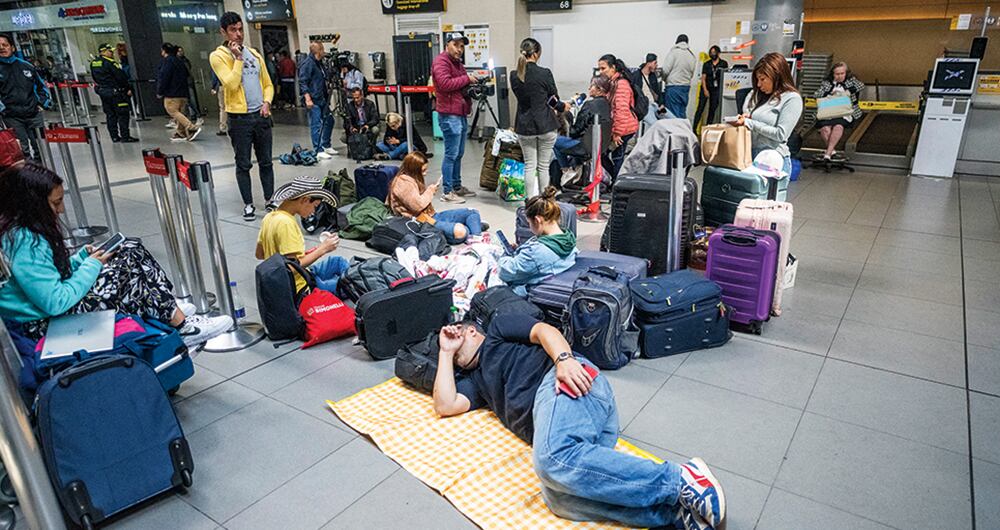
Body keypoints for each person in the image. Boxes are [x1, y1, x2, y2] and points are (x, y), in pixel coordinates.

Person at [431, 314, 727, 530]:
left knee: (550, 459)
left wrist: (563, 360)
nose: (457, 359)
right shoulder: (477, 381)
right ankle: (671, 513)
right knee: (559, 499)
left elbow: (544, 330)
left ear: (469, 331)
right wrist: (446, 352)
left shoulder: (496, 329)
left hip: (565, 384)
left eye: (456, 343)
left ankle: (680, 479)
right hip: (572, 427)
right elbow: (445, 404)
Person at [0, 163, 231, 346]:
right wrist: (90, 265)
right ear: (33, 203)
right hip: (42, 324)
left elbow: (45, 276)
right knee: (126, 267)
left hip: (42, 312)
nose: (61, 210)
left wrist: (80, 259)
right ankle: (180, 325)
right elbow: (55, 302)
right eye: (56, 202)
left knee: (129, 248)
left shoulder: (19, 232)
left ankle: (167, 308)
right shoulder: (25, 241)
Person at [210, 11, 275, 222]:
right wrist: (237, 58)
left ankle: (270, 199)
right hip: (240, 119)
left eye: (240, 29)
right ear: (224, 32)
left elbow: (267, 83)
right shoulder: (218, 56)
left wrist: (267, 102)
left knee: (266, 162)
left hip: (261, 116)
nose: (238, 34)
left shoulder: (255, 54)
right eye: (233, 30)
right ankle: (248, 204)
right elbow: (230, 83)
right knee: (243, 163)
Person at [255, 176, 349, 295]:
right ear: (305, 200)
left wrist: (301, 254)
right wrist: (323, 248)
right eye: (315, 206)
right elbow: (291, 269)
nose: (313, 212)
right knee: (351, 282)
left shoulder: (270, 217)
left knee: (338, 262)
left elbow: (260, 254)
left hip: (288, 279)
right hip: (299, 287)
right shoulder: (286, 223)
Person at [387, 152, 483, 245]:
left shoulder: (412, 179)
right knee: (462, 231)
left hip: (431, 216)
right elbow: (417, 205)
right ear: (413, 170)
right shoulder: (403, 183)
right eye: (423, 170)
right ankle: (473, 228)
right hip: (422, 222)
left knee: (472, 212)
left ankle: (475, 237)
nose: (425, 173)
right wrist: (430, 191)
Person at [510, 38, 565, 199]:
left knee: (529, 166)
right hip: (545, 125)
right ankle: (544, 201)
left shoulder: (514, 75)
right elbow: (553, 98)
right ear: (536, 53)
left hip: (524, 126)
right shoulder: (545, 73)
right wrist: (562, 107)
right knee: (543, 166)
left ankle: (529, 201)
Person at [431, 32, 481, 204]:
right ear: (447, 44)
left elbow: (459, 85)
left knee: (458, 153)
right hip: (449, 113)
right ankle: (447, 191)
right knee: (451, 154)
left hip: (459, 112)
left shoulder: (457, 63)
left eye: (462, 46)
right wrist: (466, 78)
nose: (459, 49)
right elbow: (445, 84)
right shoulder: (441, 61)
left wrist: (471, 85)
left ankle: (457, 186)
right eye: (456, 45)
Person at [497, 187, 577, 296]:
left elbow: (505, 272)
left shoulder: (536, 252)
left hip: (522, 293)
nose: (530, 227)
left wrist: (505, 255)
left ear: (537, 220)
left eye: (529, 223)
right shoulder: (568, 238)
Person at [734, 52, 803, 174]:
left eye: (762, 79)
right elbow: (751, 115)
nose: (759, 84)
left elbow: (781, 134)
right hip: (752, 155)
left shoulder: (792, 99)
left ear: (777, 76)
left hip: (773, 159)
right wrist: (747, 117)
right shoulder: (761, 95)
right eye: (757, 80)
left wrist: (750, 123)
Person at [0, 34, 51, 160]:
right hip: (12, 117)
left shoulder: (27, 66)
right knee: (22, 149)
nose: (2, 48)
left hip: (34, 114)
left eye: (5, 45)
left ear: (12, 47)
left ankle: (42, 173)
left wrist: (42, 103)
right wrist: (3, 109)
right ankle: (27, 176)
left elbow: (42, 87)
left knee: (41, 147)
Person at [552, 76, 612, 182]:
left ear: (599, 90)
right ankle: (577, 171)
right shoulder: (607, 104)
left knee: (555, 141)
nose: (589, 88)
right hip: (600, 145)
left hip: (585, 145)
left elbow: (575, 131)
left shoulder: (589, 105)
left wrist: (568, 124)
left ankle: (567, 171)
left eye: (592, 86)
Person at [597, 54, 639, 182]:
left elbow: (621, 110)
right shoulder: (614, 83)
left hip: (623, 128)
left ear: (613, 67)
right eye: (599, 69)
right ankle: (616, 183)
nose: (600, 72)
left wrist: (617, 133)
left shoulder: (621, 85)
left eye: (603, 68)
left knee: (615, 157)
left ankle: (616, 185)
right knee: (610, 155)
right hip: (620, 127)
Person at [813, 62, 864, 160]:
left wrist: (848, 91)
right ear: (833, 74)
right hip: (829, 111)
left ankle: (828, 153)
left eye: (842, 73)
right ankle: (832, 151)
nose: (840, 76)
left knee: (838, 126)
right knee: (825, 129)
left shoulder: (851, 81)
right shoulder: (827, 83)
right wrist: (829, 93)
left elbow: (861, 86)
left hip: (845, 112)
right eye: (837, 74)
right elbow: (816, 94)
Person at [90, 42, 137, 143]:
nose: (112, 52)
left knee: (110, 115)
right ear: (103, 52)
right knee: (123, 114)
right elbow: (121, 77)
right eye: (109, 51)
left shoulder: (94, 63)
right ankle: (125, 136)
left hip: (104, 92)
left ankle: (114, 136)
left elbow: (94, 78)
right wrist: (127, 88)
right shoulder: (111, 63)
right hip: (116, 93)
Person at [157, 43, 202, 142]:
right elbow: (187, 75)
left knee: (172, 110)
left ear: (164, 51)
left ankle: (191, 127)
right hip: (183, 92)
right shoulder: (180, 61)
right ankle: (180, 133)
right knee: (180, 113)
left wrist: (160, 91)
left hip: (172, 93)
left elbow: (164, 77)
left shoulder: (167, 62)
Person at [299, 41, 336, 160]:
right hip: (313, 99)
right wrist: (307, 98)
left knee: (329, 120)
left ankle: (326, 144)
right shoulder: (308, 64)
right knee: (316, 124)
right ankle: (318, 149)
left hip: (322, 97)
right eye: (322, 49)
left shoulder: (319, 63)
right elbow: (303, 81)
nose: (324, 51)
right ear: (317, 50)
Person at [660, 35, 698, 120]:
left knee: (672, 114)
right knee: (682, 113)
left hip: (673, 87)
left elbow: (666, 70)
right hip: (685, 87)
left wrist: (664, 78)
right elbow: (692, 73)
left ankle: (675, 132)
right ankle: (682, 131)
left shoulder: (674, 52)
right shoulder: (691, 55)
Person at [692, 46, 728, 128]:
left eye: (714, 52)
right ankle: (693, 128)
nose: (713, 54)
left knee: (712, 109)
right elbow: (703, 78)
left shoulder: (723, 64)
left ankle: (708, 127)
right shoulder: (707, 64)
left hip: (716, 89)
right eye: (711, 52)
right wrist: (705, 90)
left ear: (718, 53)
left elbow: (725, 77)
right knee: (700, 108)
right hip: (706, 87)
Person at [638, 53, 667, 126]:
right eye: (655, 63)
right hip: (645, 108)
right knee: (656, 125)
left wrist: (661, 104)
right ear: (648, 63)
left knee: (672, 119)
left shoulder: (652, 76)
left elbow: (658, 92)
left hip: (656, 106)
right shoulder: (636, 76)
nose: (656, 65)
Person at [175, 46, 201, 124]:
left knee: (190, 101)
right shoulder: (179, 61)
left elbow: (187, 72)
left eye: (181, 51)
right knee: (186, 102)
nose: (180, 52)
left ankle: (198, 115)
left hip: (186, 83)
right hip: (184, 83)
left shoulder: (184, 61)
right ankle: (191, 116)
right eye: (179, 51)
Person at [210, 69, 227, 136]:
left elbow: (215, 75)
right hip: (233, 86)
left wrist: (213, 87)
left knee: (223, 108)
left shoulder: (217, 59)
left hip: (222, 86)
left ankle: (223, 128)